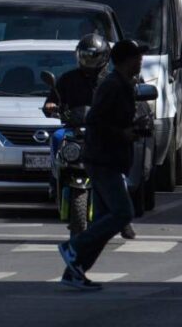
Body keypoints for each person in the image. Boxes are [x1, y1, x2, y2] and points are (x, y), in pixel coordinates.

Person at [58, 39, 144, 291]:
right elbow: (96, 120)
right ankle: (74, 247)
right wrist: (122, 133)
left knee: (104, 221)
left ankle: (75, 271)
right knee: (122, 213)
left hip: (110, 159)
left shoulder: (124, 84)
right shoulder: (113, 85)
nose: (141, 61)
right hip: (103, 159)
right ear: (125, 60)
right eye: (137, 57)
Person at [44, 34, 137, 241]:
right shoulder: (68, 79)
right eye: (85, 56)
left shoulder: (111, 80)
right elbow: (52, 100)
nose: (89, 61)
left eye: (93, 57)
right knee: (57, 137)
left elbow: (132, 107)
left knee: (117, 173)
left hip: (105, 134)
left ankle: (124, 218)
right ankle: (54, 178)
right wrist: (51, 106)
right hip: (75, 128)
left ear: (104, 57)